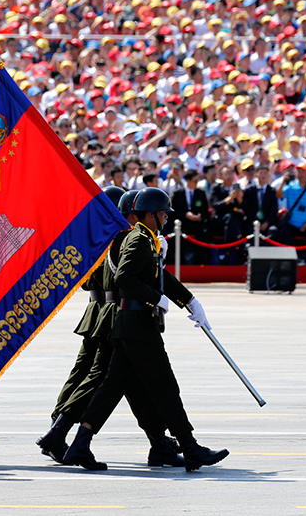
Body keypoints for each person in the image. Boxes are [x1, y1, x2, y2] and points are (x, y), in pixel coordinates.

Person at [63, 187, 228, 472]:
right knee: (165, 387)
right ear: (150, 214)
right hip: (138, 326)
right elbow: (125, 277)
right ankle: (189, 446)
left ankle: (80, 444)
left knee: (111, 389)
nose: (166, 216)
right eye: (163, 211)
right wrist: (158, 298)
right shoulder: (139, 239)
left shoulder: (147, 240)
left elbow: (158, 276)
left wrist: (189, 301)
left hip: (131, 327)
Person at [37, 187, 183, 468]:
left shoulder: (102, 238)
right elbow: (126, 279)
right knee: (102, 380)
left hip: (98, 312)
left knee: (118, 381)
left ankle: (158, 442)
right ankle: (61, 431)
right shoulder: (125, 240)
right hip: (115, 314)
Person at [278, 162, 306, 266]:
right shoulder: (290, 187)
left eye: (303, 172)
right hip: (292, 224)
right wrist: (283, 181)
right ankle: (294, 256)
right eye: (299, 171)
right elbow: (278, 194)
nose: (300, 174)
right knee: (284, 231)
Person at [170, 170, 210, 265]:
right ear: (188, 180)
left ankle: (201, 262)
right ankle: (181, 263)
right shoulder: (177, 193)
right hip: (183, 223)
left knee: (205, 232)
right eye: (194, 181)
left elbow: (205, 211)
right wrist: (185, 215)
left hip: (197, 224)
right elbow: (173, 212)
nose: (196, 183)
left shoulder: (200, 193)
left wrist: (200, 217)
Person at [243, 164, 280, 242]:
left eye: (265, 173)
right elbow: (247, 208)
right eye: (261, 173)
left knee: (273, 231)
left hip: (266, 222)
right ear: (256, 175)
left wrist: (266, 223)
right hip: (253, 221)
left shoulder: (272, 191)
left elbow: (274, 209)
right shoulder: (249, 190)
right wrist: (254, 221)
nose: (263, 175)